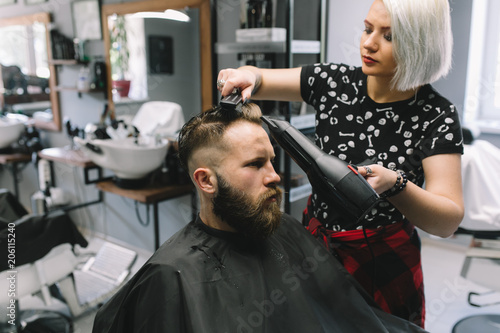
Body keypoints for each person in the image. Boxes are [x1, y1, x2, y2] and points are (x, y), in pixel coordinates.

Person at [217, 0, 464, 328]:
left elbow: (447, 221)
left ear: (422, 45)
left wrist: (396, 185)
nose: (368, 43)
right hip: (316, 250)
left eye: (388, 37)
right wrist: (244, 74)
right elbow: (258, 78)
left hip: (385, 261)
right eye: (367, 28)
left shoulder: (437, 116)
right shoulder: (333, 83)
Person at [92, 104, 427, 332]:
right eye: (255, 164)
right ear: (206, 180)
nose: (274, 176)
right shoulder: (171, 276)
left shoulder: (287, 231)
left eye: (271, 160)